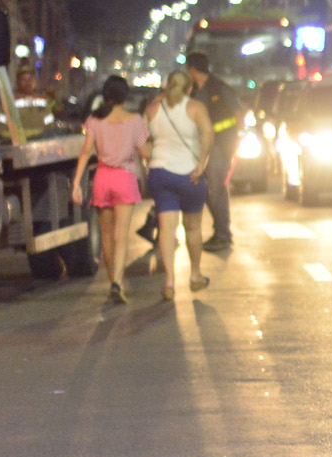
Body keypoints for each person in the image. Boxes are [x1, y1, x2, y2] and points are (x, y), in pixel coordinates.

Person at [70, 74, 148, 304]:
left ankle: (112, 280)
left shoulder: (94, 121)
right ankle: (117, 283)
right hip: (124, 178)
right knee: (120, 235)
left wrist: (76, 182)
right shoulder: (135, 121)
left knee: (106, 237)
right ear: (125, 96)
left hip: (102, 178)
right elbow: (146, 153)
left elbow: (85, 152)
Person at [143, 69, 216, 299]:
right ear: (189, 88)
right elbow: (208, 134)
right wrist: (202, 163)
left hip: (160, 174)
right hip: (190, 175)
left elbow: (137, 137)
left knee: (166, 229)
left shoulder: (153, 109)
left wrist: (148, 155)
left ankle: (169, 282)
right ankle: (195, 275)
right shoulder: (195, 108)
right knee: (193, 228)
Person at [184, 52, 241, 251]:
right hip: (200, 147)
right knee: (204, 190)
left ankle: (223, 235)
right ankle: (220, 231)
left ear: (192, 69)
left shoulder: (219, 87)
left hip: (219, 146)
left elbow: (238, 113)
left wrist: (236, 139)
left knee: (216, 189)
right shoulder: (192, 91)